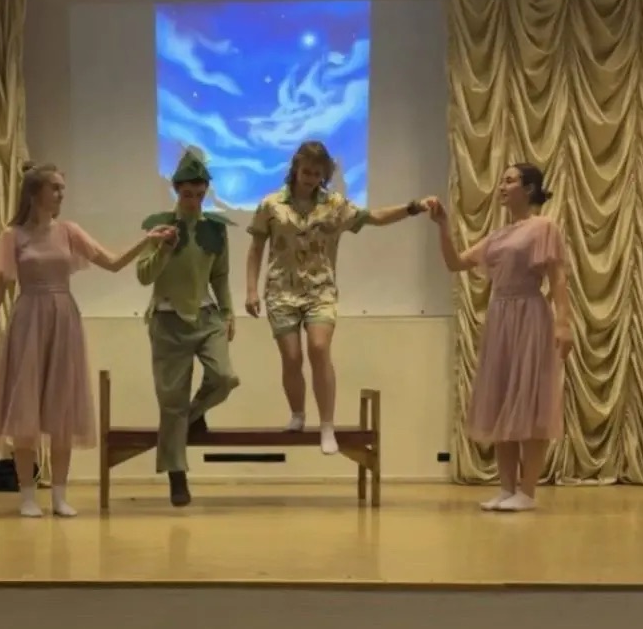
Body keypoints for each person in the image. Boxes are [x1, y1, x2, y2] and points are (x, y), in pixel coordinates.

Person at [0, 162, 176, 518]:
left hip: (64, 320)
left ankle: (60, 497)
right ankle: (27, 496)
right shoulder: (12, 236)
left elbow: (113, 262)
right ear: (35, 192)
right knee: (25, 411)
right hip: (28, 321)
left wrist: (148, 241)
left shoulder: (69, 231)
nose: (61, 194)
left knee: (61, 410)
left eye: (62, 188)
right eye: (55, 188)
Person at [245, 140, 437, 454]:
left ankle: (327, 425)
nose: (311, 179)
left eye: (317, 174)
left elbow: (374, 217)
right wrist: (251, 290)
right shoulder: (271, 204)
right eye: (306, 172)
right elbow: (255, 249)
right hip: (281, 291)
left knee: (319, 348)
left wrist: (413, 207)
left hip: (320, 290)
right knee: (292, 357)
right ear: (296, 169)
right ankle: (297, 413)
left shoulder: (334, 204)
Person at [428, 162, 572, 513]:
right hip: (500, 316)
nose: (502, 187)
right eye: (502, 181)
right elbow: (455, 263)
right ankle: (507, 488)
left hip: (530, 315)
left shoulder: (544, 227)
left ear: (529, 188)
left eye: (510, 181)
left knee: (531, 400)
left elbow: (558, 278)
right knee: (501, 399)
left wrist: (563, 323)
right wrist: (443, 226)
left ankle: (527, 491)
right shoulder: (498, 236)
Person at [137, 149, 239, 507]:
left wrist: (228, 312)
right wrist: (163, 248)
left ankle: (193, 416)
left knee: (224, 377)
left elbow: (220, 275)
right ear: (176, 190)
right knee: (171, 400)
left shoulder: (215, 229)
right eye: (187, 194)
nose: (193, 201)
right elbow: (144, 275)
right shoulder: (159, 225)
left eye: (199, 194)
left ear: (206, 192)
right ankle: (177, 475)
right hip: (167, 319)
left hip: (206, 316)